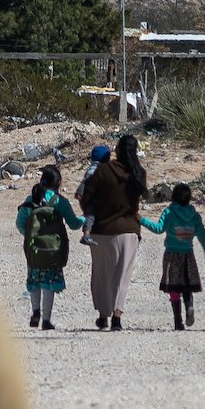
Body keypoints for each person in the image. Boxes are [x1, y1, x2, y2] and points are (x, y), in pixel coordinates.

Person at [77, 133, 160, 330]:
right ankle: (117, 316)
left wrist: (90, 213)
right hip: (128, 231)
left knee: (102, 274)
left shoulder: (103, 170)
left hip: (101, 230)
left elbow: (86, 195)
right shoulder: (139, 173)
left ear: (118, 150)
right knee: (122, 275)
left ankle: (103, 315)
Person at [15, 164, 85, 330]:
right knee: (49, 283)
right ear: (58, 182)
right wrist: (85, 218)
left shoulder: (30, 200)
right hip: (54, 250)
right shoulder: (60, 202)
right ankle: (46, 320)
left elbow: (20, 224)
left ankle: (35, 311)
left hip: (34, 249)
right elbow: (74, 224)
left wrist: (31, 237)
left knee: (35, 280)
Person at [155, 182, 205, 329]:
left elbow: (159, 229)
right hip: (188, 254)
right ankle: (189, 305)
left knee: (174, 287)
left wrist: (141, 220)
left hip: (171, 254)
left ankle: (178, 321)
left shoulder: (169, 212)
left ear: (173, 197)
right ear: (189, 199)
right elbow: (202, 235)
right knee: (186, 284)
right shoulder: (194, 215)